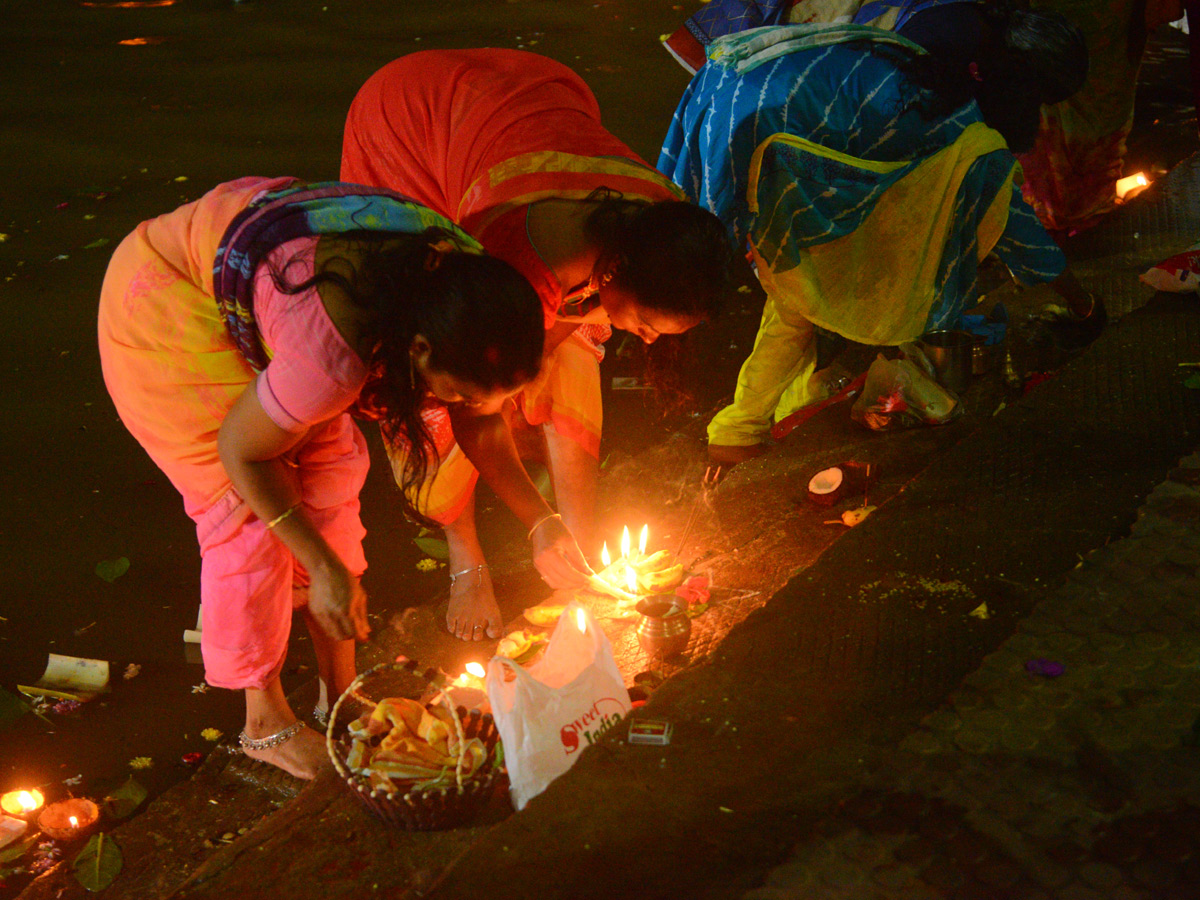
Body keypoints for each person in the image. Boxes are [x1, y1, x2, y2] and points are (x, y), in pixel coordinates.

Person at [98, 177, 552, 779]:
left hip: (269, 291)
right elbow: (243, 454)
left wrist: (544, 522)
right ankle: (264, 724)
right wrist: (324, 566)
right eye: (457, 395)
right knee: (246, 514)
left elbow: (481, 420)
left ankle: (339, 697)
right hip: (164, 301)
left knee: (332, 470)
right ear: (417, 349)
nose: (464, 407)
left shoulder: (469, 292)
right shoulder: (332, 353)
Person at [341, 49, 740, 641]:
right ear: (613, 274)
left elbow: (573, 332)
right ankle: (466, 557)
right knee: (435, 361)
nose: (650, 340)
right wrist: (535, 520)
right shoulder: (513, 264)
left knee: (572, 345)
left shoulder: (659, 225)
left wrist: (559, 526)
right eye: (651, 323)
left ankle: (579, 542)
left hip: (523, 94)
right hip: (408, 120)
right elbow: (471, 410)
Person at [658, 15, 1102, 464]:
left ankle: (739, 429)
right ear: (1023, 87)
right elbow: (1016, 229)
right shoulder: (965, 132)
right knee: (795, 294)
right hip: (756, 121)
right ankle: (737, 429)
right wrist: (1084, 305)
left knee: (791, 287)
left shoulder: (934, 57)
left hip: (731, 85)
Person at [664, 0, 1188, 232]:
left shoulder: (968, 46)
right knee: (718, 220)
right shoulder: (926, 61)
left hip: (763, 91)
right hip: (761, 99)